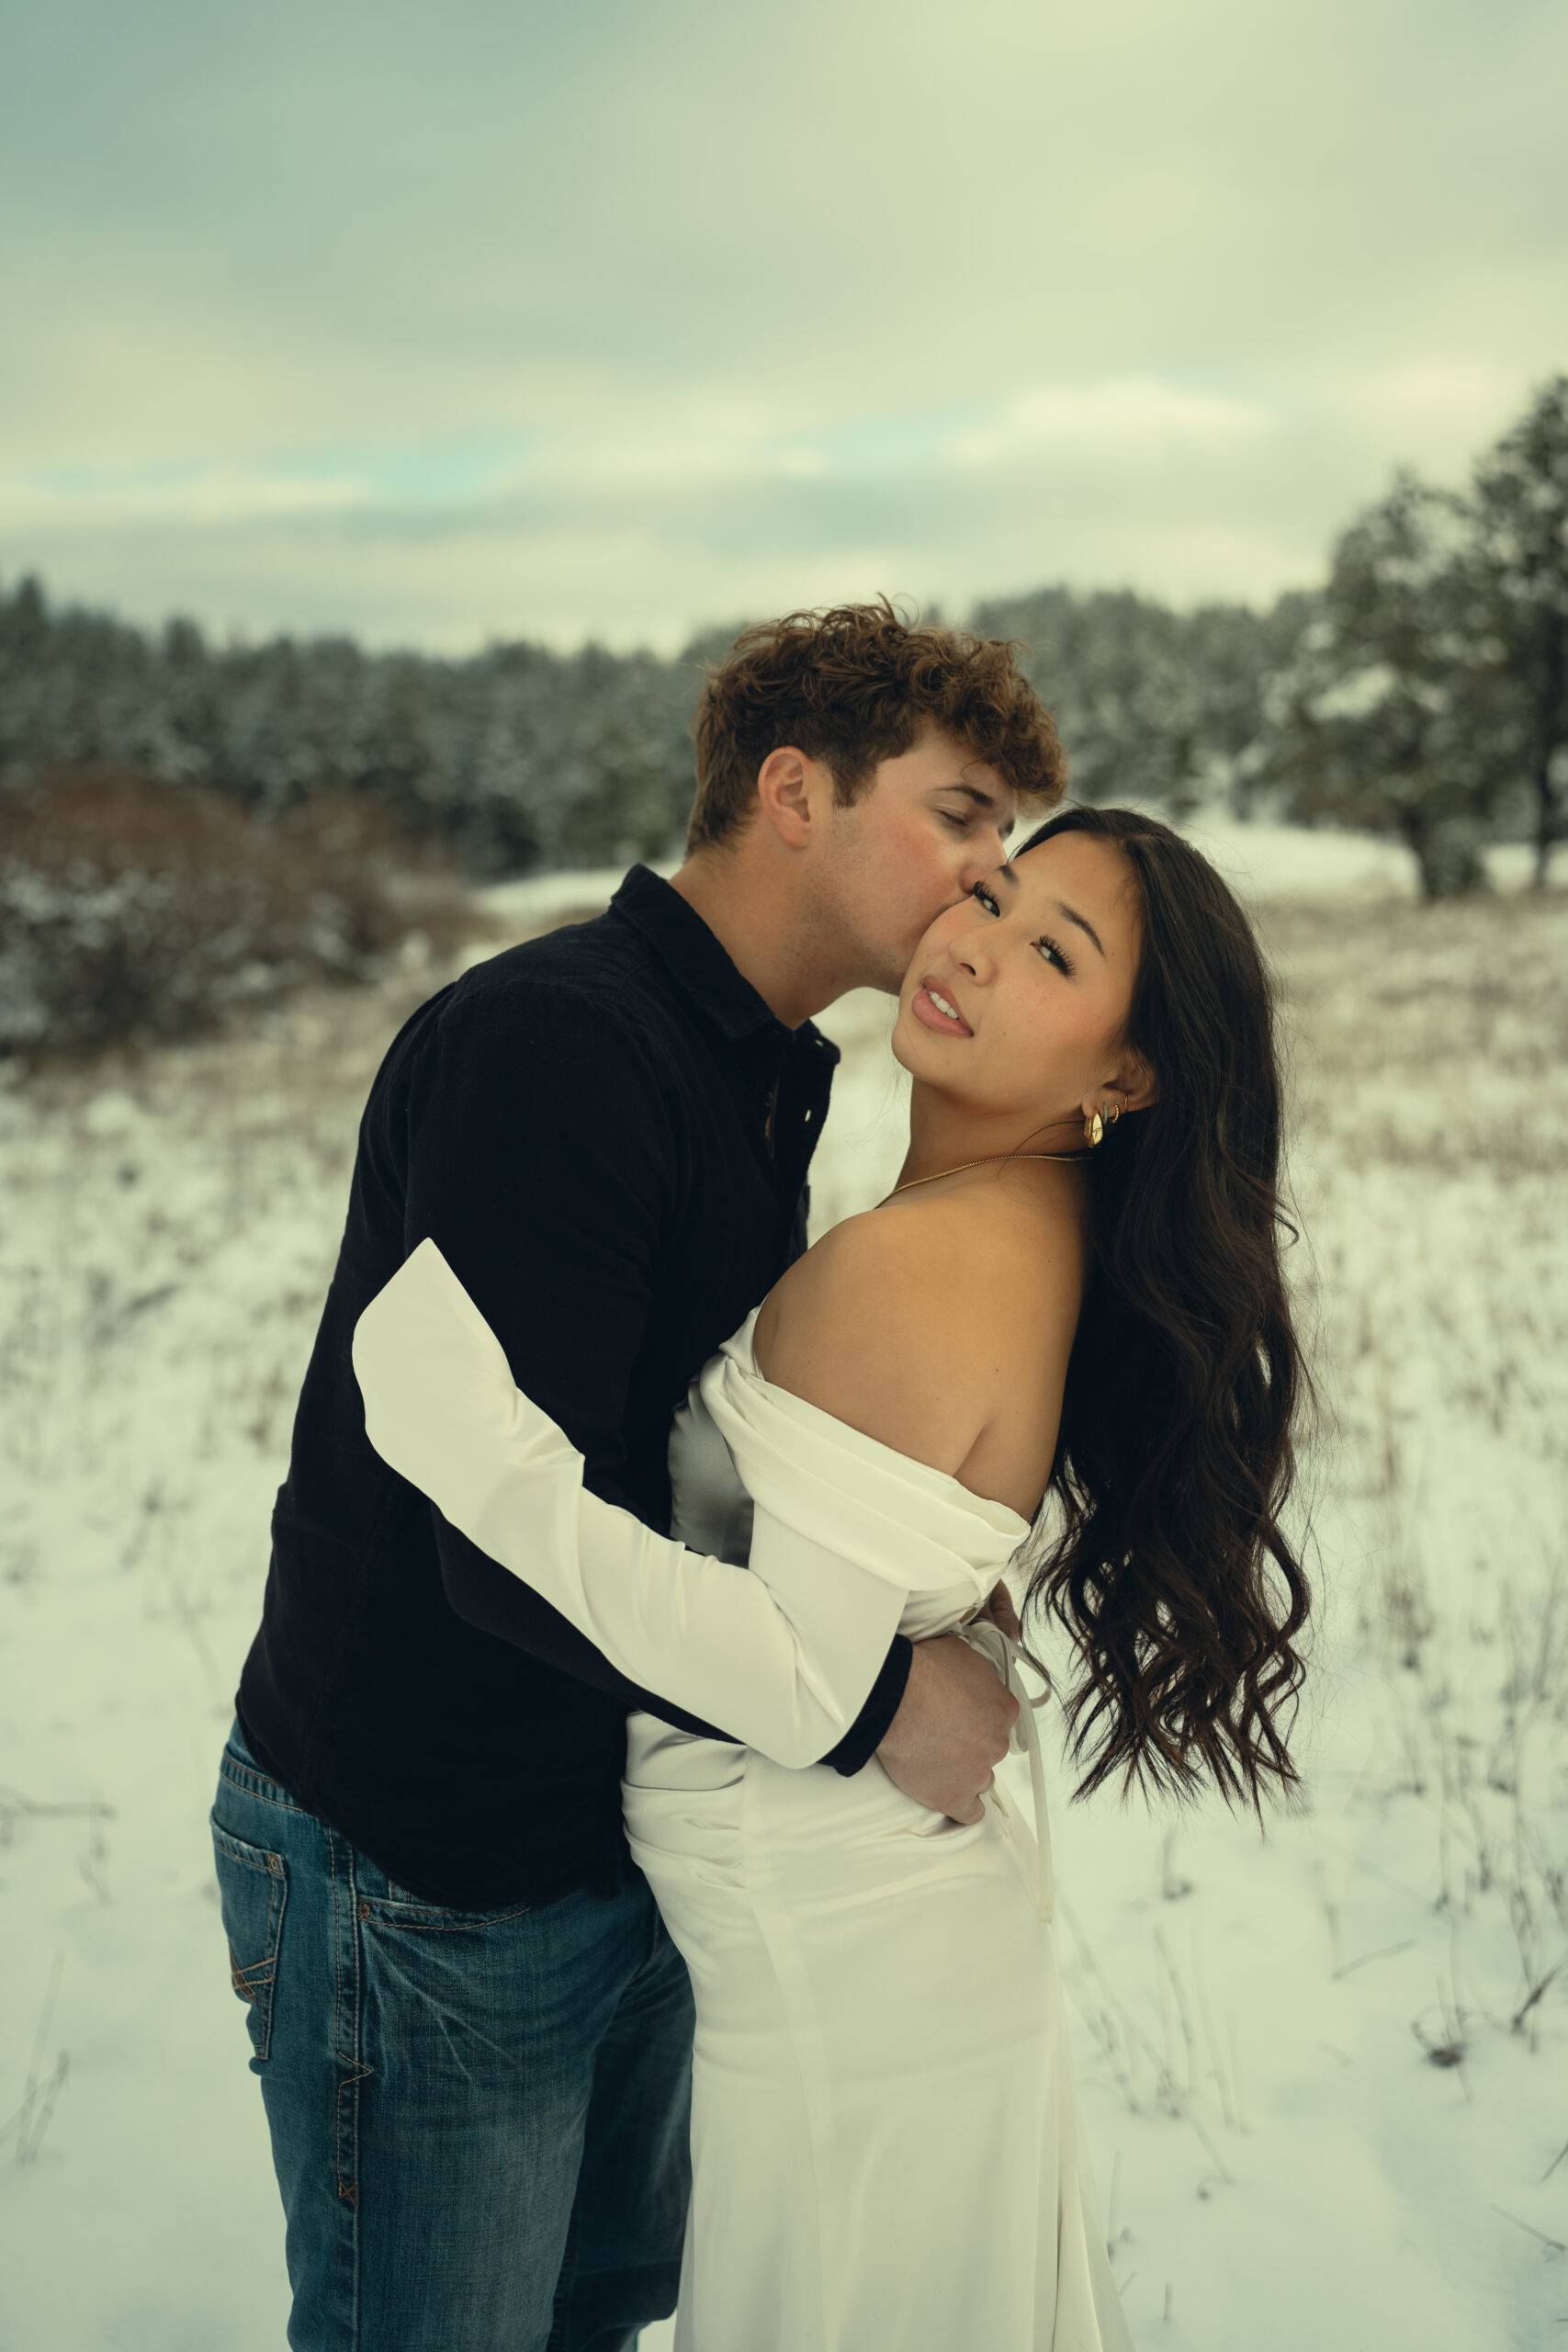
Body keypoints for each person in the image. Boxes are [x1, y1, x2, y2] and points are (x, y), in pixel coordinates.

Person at [209, 602, 1066, 2349]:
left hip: (607, 1834)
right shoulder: (560, 1049)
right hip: (421, 1866)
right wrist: (870, 1698)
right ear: (792, 790)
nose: (991, 877)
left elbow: (675, 1451)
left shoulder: (770, 1071)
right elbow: (497, 1546)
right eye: (962, 813)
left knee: (600, 2318)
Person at [353, 806, 1313, 2350]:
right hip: (870, 1955)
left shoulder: (927, 1264)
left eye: (1054, 952)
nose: (980, 948)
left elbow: (800, 1673)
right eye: (993, 895)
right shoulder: (1006, 1227)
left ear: (1123, 1076)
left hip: (844, 1981)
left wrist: (480, 1460)